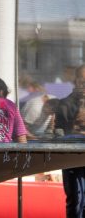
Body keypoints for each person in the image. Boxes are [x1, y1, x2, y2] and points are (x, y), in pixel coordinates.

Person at [55, 64, 85, 218]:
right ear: (76, 81)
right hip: (72, 154)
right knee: (75, 199)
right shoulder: (66, 103)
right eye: (82, 81)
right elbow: (58, 131)